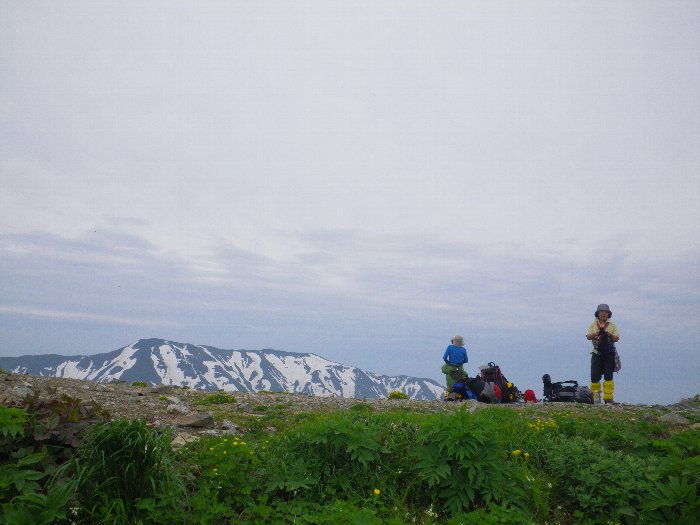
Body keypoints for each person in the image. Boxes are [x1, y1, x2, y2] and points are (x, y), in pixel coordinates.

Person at [586, 303, 620, 404]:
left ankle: (608, 398)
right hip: (597, 352)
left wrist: (608, 334)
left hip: (608, 353)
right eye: (602, 312)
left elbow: (616, 338)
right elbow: (588, 336)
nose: (604, 314)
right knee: (595, 376)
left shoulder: (612, 326)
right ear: (598, 313)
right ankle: (596, 398)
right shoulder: (593, 325)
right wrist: (596, 334)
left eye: (606, 312)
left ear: (608, 314)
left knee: (608, 376)